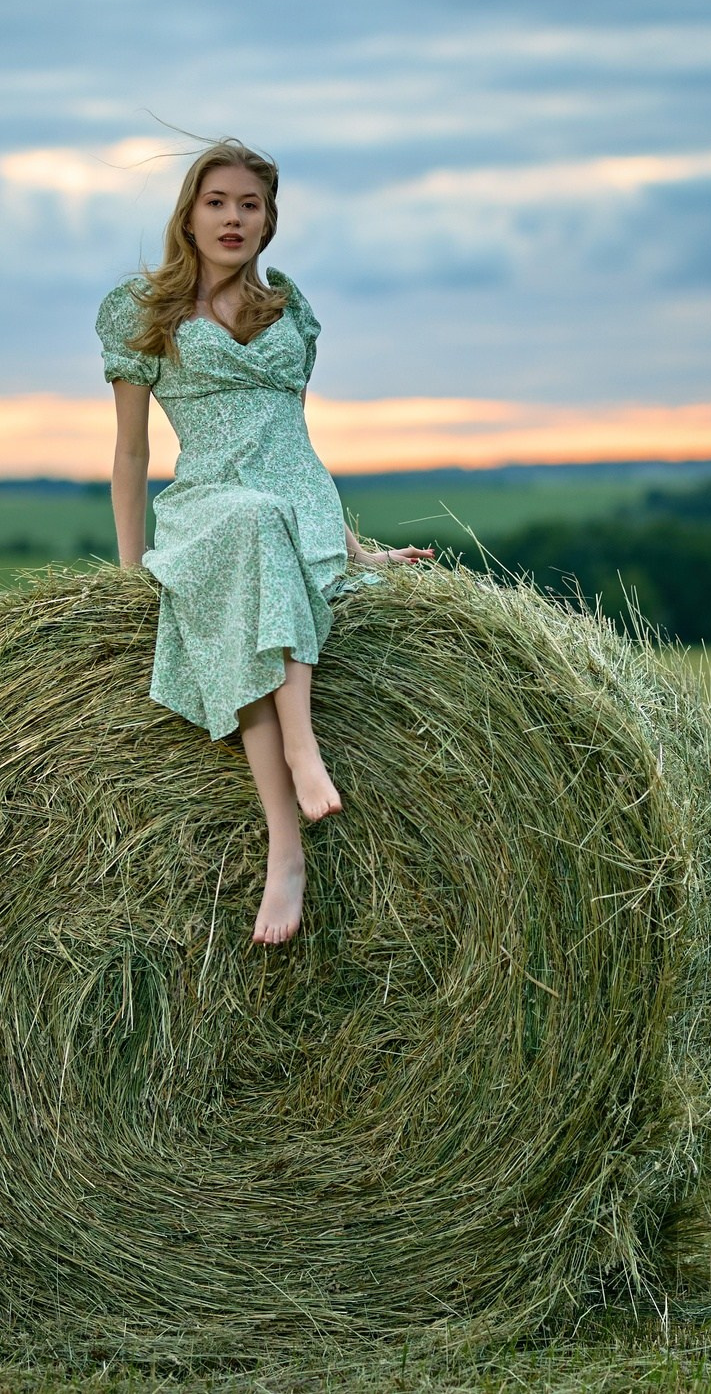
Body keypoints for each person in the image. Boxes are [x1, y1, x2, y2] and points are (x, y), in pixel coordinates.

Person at [97, 139, 430, 947]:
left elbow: (295, 441)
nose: (234, 217)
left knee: (269, 528)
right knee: (249, 530)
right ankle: (292, 814)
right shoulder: (142, 313)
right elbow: (134, 453)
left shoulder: (289, 309)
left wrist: (351, 545)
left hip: (297, 504)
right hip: (210, 503)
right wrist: (130, 567)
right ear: (189, 211)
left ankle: (295, 823)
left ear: (270, 219)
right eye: (218, 202)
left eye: (251, 204)